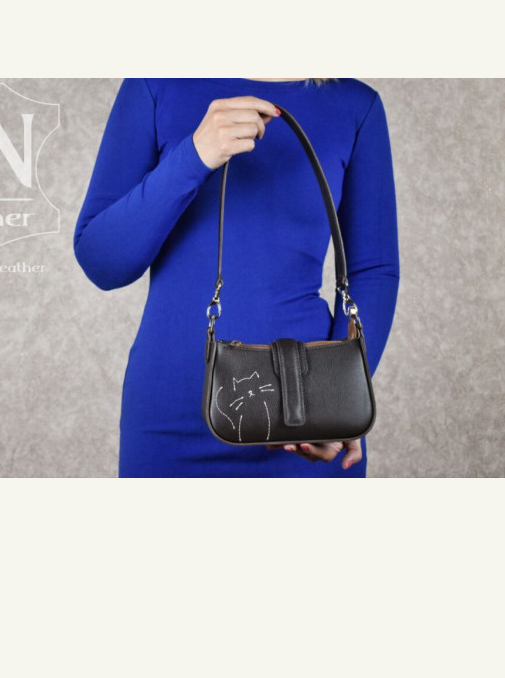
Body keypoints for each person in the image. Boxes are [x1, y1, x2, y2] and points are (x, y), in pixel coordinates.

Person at [73, 78, 400, 477]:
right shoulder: (156, 84)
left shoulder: (355, 105)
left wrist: (337, 397)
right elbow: (104, 262)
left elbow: (373, 270)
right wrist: (195, 155)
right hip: (170, 417)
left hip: (304, 410)